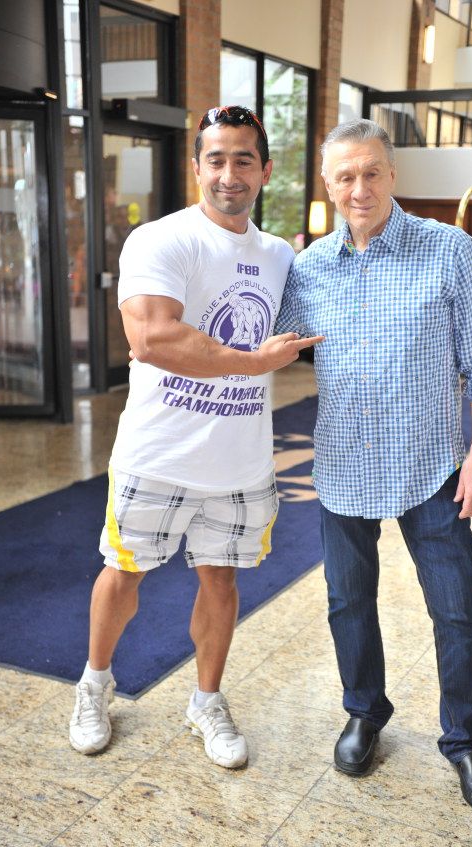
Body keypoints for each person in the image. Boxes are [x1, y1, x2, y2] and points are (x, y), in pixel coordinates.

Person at [69, 106, 321, 768]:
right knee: (123, 573)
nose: (228, 173)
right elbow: (152, 338)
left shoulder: (279, 255)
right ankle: (94, 684)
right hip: (158, 454)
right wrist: (252, 362)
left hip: (240, 463)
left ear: (265, 171)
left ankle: (206, 701)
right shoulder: (161, 240)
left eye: (243, 160)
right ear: (196, 167)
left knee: (222, 582)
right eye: (216, 159)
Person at [275, 119, 472, 811]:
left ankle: (466, 742)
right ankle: (364, 712)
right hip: (343, 464)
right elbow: (269, 344)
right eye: (345, 176)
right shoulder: (308, 267)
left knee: (457, 610)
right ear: (327, 185)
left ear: (392, 174)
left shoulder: (448, 249)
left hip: (430, 466)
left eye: (371, 172)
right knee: (348, 602)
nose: (360, 188)